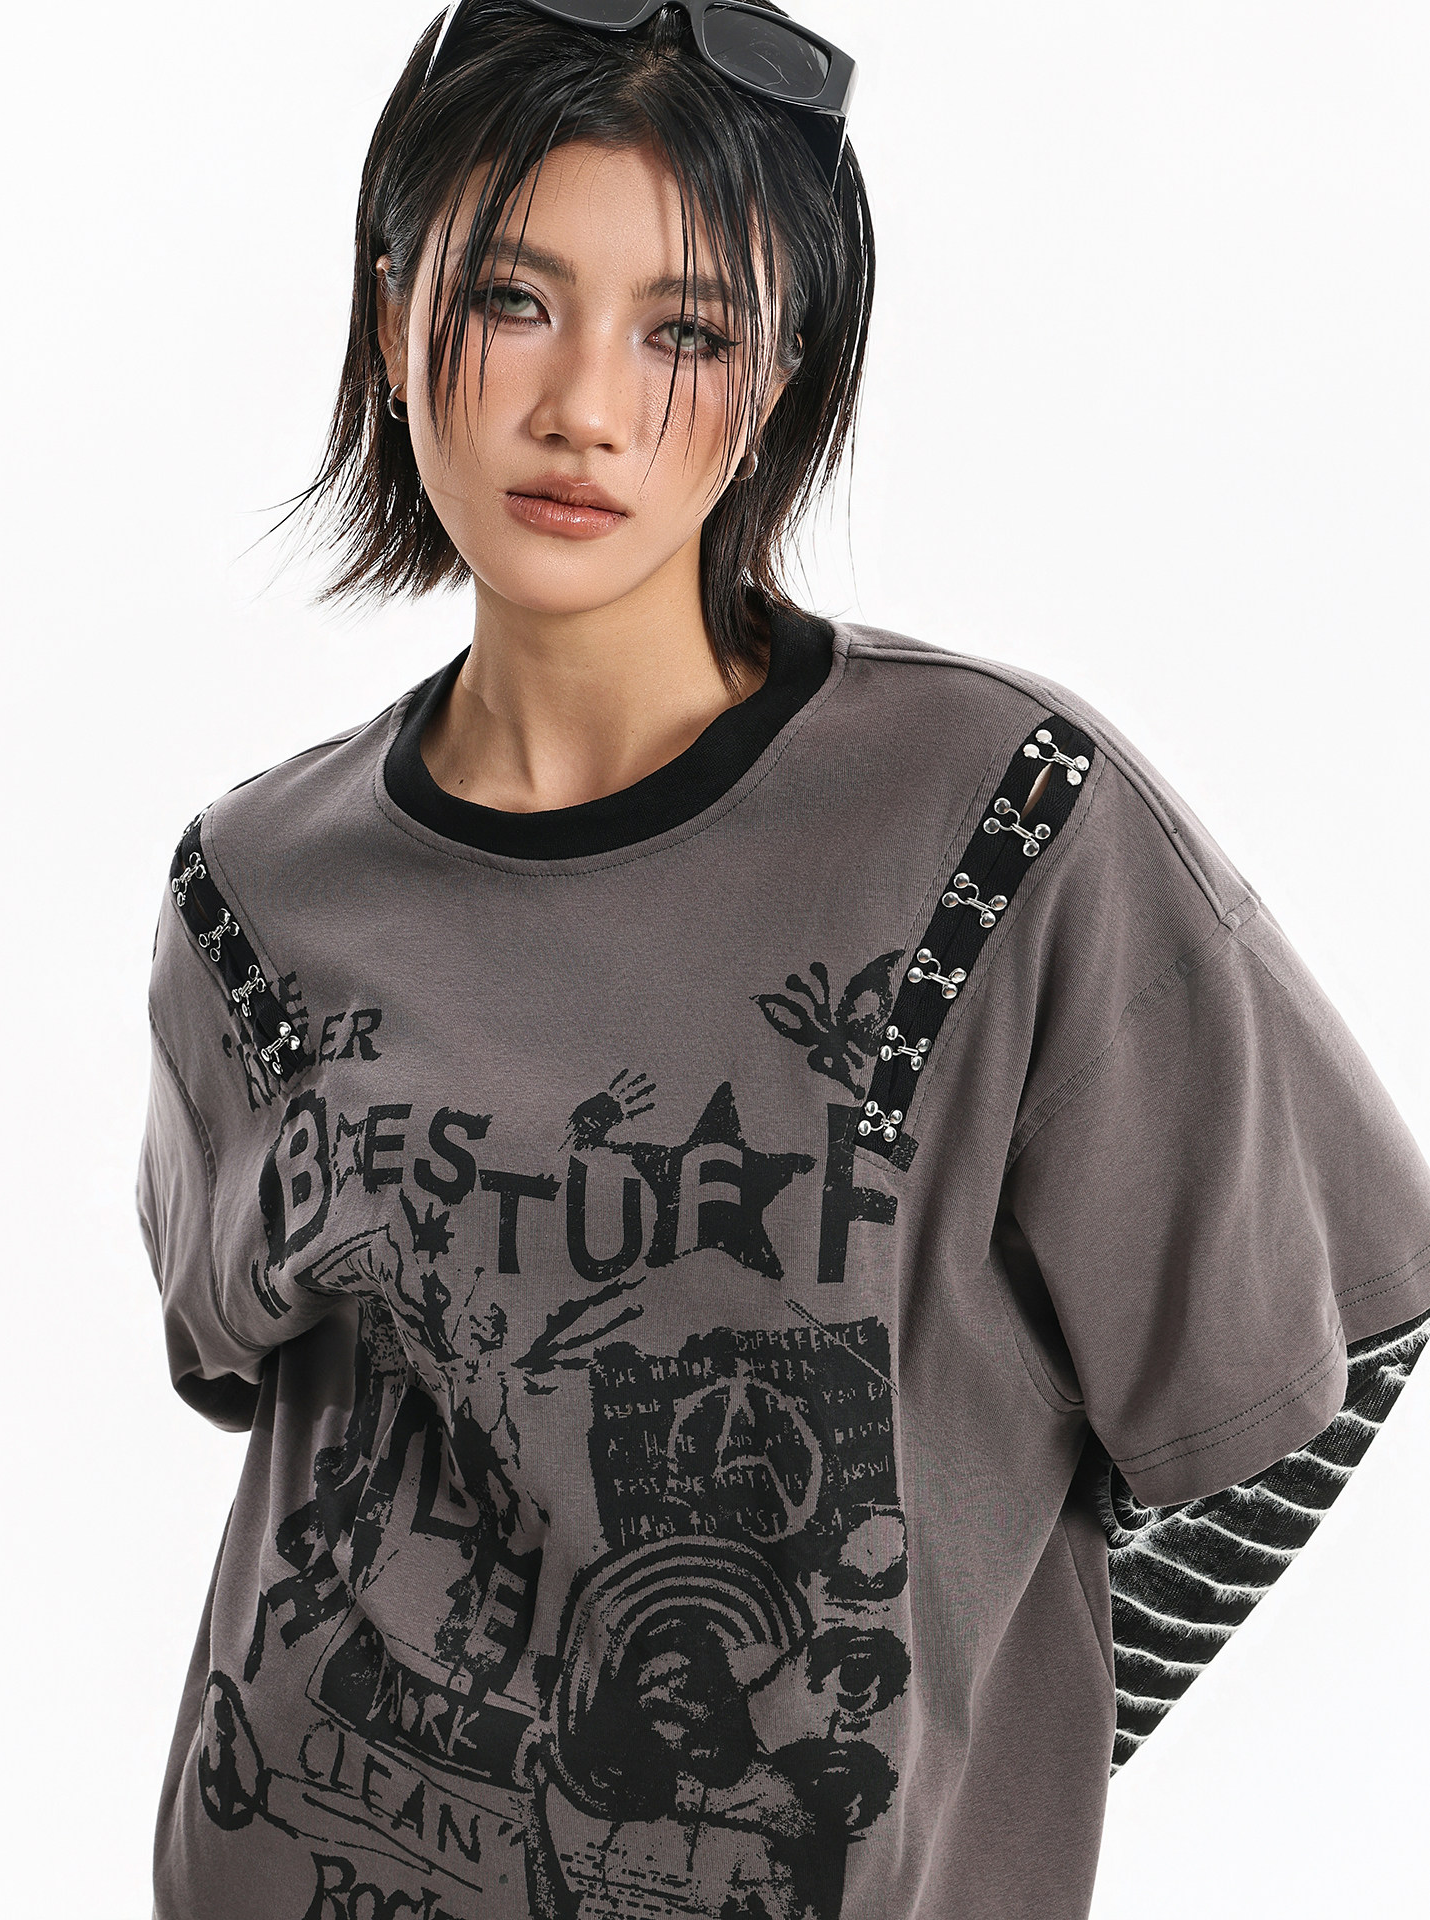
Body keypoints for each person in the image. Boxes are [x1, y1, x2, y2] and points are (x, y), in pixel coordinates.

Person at [135, 5, 1430, 1917]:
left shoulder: (995, 824)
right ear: (392, 306)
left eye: (685, 332)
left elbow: (1333, 1348)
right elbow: (301, 1434)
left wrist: (961, 1763)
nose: (583, 406)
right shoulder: (248, 892)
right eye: (511, 298)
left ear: (779, 377)